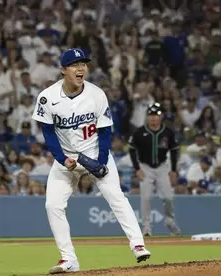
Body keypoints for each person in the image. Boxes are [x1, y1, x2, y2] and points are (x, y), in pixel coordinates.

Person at [32, 48, 150, 274]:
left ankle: (138, 244)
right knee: (53, 205)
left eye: (83, 64)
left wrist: (102, 162)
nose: (81, 68)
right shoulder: (47, 97)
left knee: (116, 197)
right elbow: (48, 133)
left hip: (95, 154)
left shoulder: (97, 94)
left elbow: (105, 131)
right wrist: (61, 158)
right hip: (66, 160)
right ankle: (69, 259)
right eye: (75, 64)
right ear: (63, 70)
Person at [128, 102, 181, 236]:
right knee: (145, 198)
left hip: (162, 167)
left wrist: (174, 170)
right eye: (151, 115)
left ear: (161, 116)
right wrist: (137, 168)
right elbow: (132, 149)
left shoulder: (167, 132)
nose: (153, 118)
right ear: (147, 117)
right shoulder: (140, 132)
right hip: (146, 168)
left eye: (156, 115)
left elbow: (174, 150)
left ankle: (170, 221)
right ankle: (146, 228)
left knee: (168, 197)